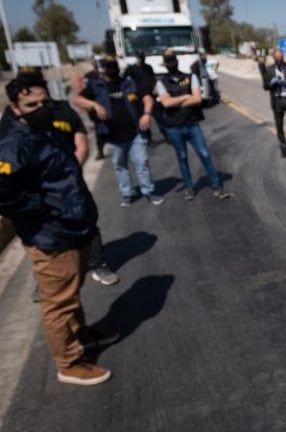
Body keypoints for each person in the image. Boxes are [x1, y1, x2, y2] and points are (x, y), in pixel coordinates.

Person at [0, 74, 114, 385]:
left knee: (71, 292)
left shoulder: (41, 128)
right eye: (31, 104)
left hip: (71, 224)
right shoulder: (12, 143)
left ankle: (82, 335)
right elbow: (4, 192)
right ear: (15, 106)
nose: (40, 108)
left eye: (44, 102)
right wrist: (41, 209)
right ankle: (70, 363)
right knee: (58, 303)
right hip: (51, 233)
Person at [16, 68, 120, 288]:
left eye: (36, 83)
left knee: (88, 224)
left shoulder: (62, 111)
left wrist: (66, 174)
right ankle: (44, 280)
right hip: (40, 192)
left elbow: (81, 144)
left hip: (71, 184)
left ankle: (96, 263)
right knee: (43, 235)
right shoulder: (16, 122)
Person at [74, 55, 164, 208]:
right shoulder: (96, 86)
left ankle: (149, 191)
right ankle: (127, 194)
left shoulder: (129, 83)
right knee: (120, 166)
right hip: (113, 136)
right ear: (103, 69)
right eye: (108, 67)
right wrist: (95, 105)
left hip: (135, 133)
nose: (112, 70)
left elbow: (147, 98)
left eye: (114, 66)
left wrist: (147, 114)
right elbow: (78, 100)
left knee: (142, 163)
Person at [155, 49, 232, 201]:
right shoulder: (161, 82)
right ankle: (189, 188)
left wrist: (175, 101)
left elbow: (197, 99)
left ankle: (217, 186)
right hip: (174, 126)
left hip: (192, 124)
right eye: (168, 61)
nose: (171, 63)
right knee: (182, 157)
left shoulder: (190, 77)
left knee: (204, 154)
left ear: (177, 61)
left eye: (173, 60)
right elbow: (166, 103)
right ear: (165, 64)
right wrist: (185, 96)